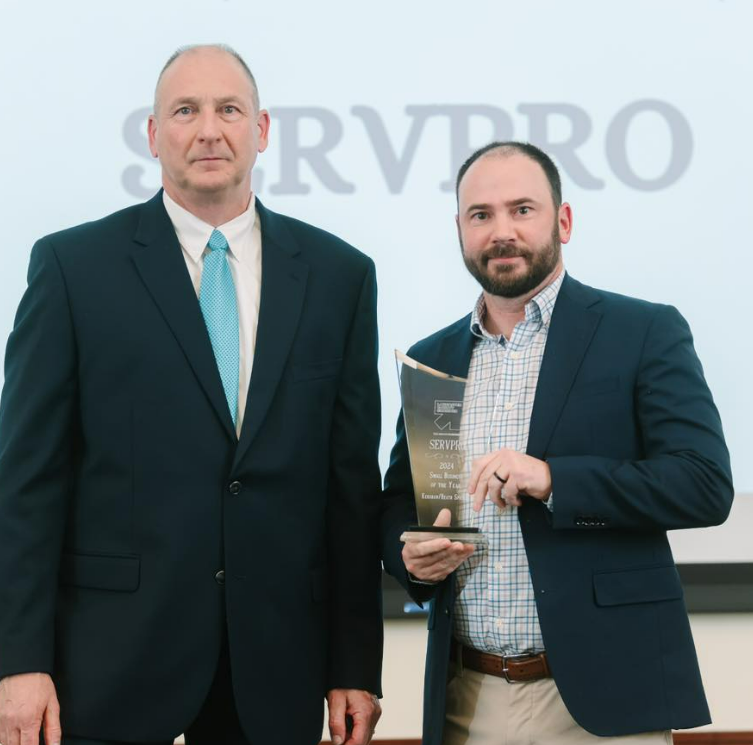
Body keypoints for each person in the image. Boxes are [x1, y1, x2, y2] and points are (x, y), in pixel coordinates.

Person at [0, 44, 382, 745]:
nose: (209, 130)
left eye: (228, 109)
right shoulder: (72, 268)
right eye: (185, 111)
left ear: (261, 131)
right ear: (153, 135)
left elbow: (351, 489)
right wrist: (19, 660)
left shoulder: (339, 276)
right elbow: (26, 483)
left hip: (273, 670)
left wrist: (355, 661)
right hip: (106, 667)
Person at [381, 141, 733, 745]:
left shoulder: (642, 332)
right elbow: (397, 502)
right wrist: (408, 556)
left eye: (523, 209)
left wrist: (554, 480)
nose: (502, 231)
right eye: (481, 214)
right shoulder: (431, 359)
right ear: (460, 230)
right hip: (465, 697)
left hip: (604, 700)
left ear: (563, 222)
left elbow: (704, 483)